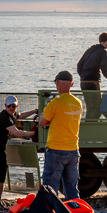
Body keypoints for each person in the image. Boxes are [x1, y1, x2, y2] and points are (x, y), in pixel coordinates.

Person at [37, 71, 85, 200]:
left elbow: (42, 122)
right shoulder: (78, 103)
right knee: (72, 188)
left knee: (50, 188)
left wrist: (44, 116)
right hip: (73, 150)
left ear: (57, 83)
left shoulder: (55, 103)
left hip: (56, 149)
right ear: (72, 84)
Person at [77, 33, 107, 121]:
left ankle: (88, 124)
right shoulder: (103, 52)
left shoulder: (89, 50)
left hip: (83, 82)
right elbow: (104, 69)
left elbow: (79, 65)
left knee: (89, 107)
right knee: (97, 106)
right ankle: (93, 126)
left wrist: (83, 76)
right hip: (93, 81)